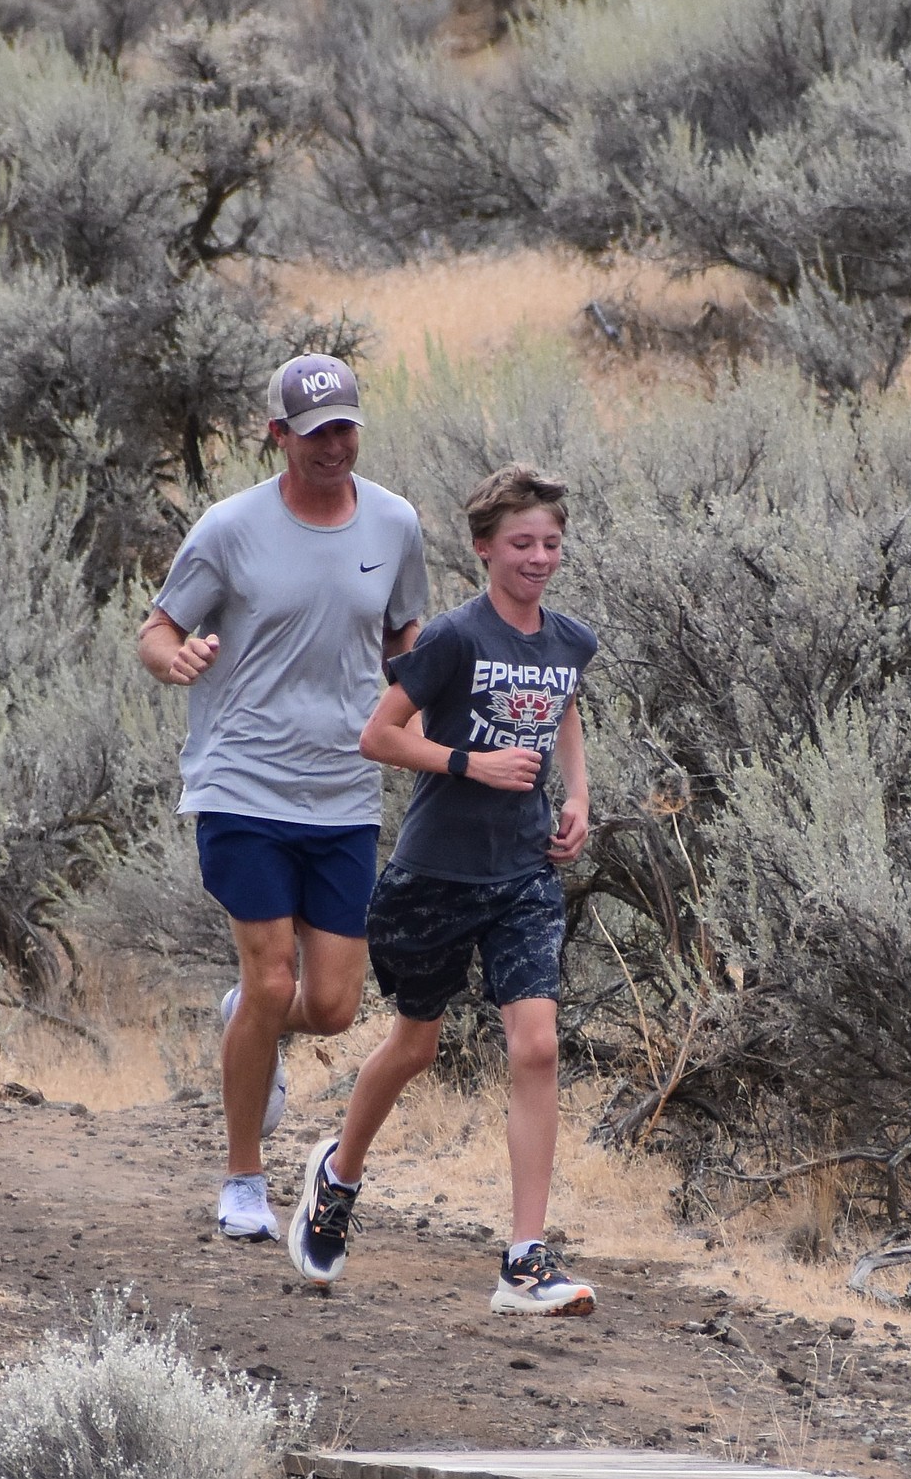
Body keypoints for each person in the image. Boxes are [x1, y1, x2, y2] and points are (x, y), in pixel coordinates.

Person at [286, 463, 599, 1316]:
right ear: (485, 548)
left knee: (536, 1045)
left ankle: (524, 1261)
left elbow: (564, 705)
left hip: (525, 873)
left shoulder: (569, 639)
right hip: (433, 875)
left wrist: (575, 797)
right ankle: (337, 1177)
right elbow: (378, 736)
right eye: (523, 544)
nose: (539, 558)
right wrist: (473, 762)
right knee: (414, 1046)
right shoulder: (455, 638)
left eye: (552, 544)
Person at [138, 354, 428, 1245]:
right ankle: (242, 1178)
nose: (334, 446)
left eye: (345, 428)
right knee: (270, 972)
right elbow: (159, 627)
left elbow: (406, 636)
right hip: (242, 778)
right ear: (279, 436)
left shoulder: (395, 522)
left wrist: (427, 709)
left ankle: (249, 1025)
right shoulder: (230, 529)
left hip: (343, 789)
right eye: (315, 433)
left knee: (333, 1004)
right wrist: (174, 659)